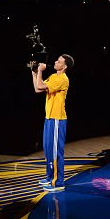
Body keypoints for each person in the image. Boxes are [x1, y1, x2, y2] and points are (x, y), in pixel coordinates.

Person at [32, 55, 72, 191]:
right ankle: (50, 177)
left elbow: (40, 84)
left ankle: (58, 182)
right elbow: (37, 89)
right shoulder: (54, 76)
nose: (55, 62)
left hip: (57, 120)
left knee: (56, 152)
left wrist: (40, 71)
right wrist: (34, 72)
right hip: (49, 118)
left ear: (65, 66)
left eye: (59, 61)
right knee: (48, 149)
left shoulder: (62, 79)